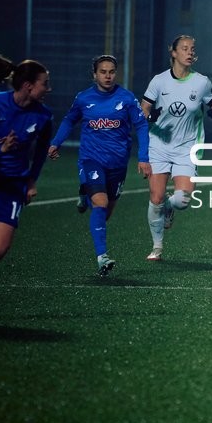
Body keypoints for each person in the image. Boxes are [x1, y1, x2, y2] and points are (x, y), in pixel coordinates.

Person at [48, 55, 151, 276]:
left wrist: (143, 158)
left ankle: (84, 192)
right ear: (94, 74)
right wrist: (56, 142)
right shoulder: (84, 98)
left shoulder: (126, 98)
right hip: (91, 159)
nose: (107, 76)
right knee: (101, 203)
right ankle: (102, 256)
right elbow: (69, 120)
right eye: (103, 72)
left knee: (106, 212)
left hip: (118, 164)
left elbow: (141, 126)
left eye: (111, 71)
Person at [140, 35, 212, 261]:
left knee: (182, 200)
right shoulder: (159, 81)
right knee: (156, 198)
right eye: (184, 48)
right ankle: (157, 247)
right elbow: (144, 107)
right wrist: (150, 114)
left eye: (192, 49)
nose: (189, 52)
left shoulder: (201, 81)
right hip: (159, 144)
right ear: (173, 52)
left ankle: (170, 208)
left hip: (187, 147)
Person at [0, 60, 53, 261]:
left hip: (12, 185)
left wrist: (31, 180)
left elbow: (41, 153)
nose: (48, 89)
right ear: (29, 86)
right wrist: (1, 149)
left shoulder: (44, 116)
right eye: (44, 83)